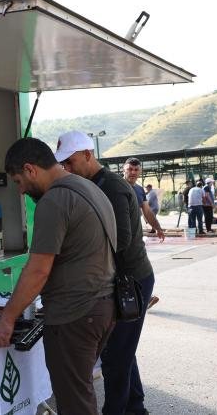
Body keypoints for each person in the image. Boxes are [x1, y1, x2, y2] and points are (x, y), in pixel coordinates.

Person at [0, 137, 116, 415]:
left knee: (74, 403)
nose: (21, 192)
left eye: (19, 182)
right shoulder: (88, 187)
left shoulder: (54, 200)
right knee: (80, 393)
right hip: (102, 306)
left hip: (75, 314)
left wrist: (7, 319)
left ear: (30, 169)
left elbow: (38, 269)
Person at [55, 131, 155, 415]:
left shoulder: (110, 187)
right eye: (63, 164)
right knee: (122, 350)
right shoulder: (93, 184)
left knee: (115, 357)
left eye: (70, 162)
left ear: (88, 154)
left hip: (130, 280)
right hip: (121, 278)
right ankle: (136, 408)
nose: (67, 168)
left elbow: (120, 239)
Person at [123, 158, 166, 241]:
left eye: (136, 169)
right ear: (123, 170)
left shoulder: (140, 190)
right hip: (118, 236)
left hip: (135, 236)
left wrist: (157, 228)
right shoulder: (115, 186)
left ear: (140, 171)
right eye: (130, 169)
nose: (133, 172)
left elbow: (147, 212)